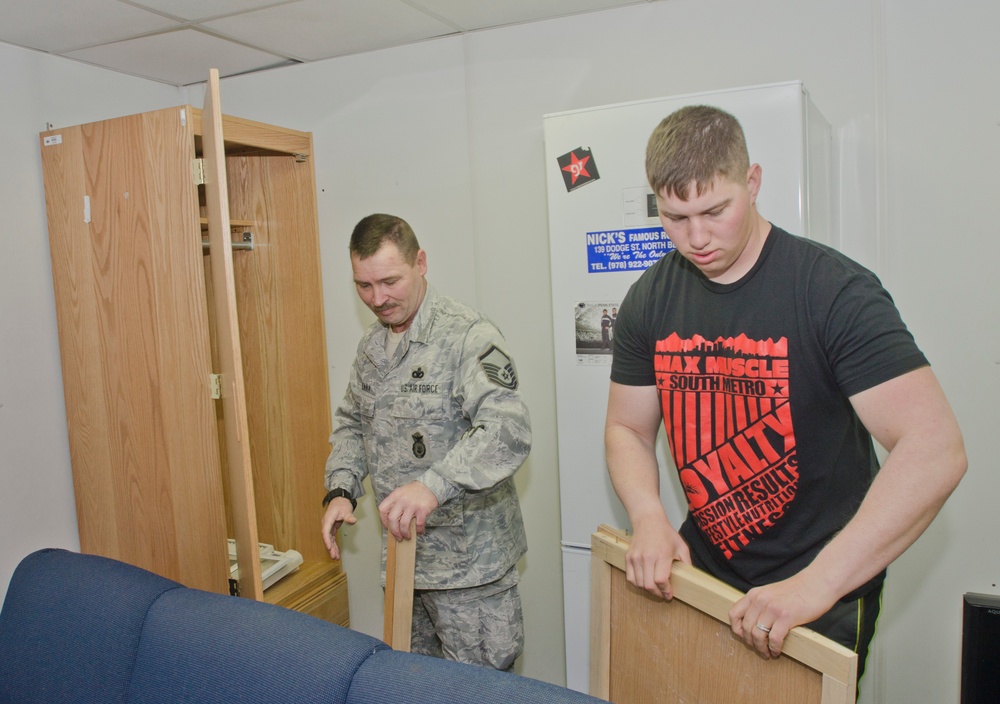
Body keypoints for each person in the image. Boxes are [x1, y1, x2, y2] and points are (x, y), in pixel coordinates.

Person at [604, 105, 966, 680]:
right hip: (705, 572)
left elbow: (935, 449)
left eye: (714, 211)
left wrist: (814, 587)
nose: (695, 238)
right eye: (674, 217)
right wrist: (648, 514)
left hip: (821, 584)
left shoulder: (832, 290)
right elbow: (627, 427)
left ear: (752, 182)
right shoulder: (650, 298)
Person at [321, 214, 531, 670]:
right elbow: (353, 424)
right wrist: (341, 489)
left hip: (470, 573)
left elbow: (507, 430)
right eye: (364, 285)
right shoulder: (372, 348)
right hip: (404, 563)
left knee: (479, 696)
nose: (378, 299)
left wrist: (434, 485)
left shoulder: (467, 335)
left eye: (390, 281)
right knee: (414, 686)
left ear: (421, 263)